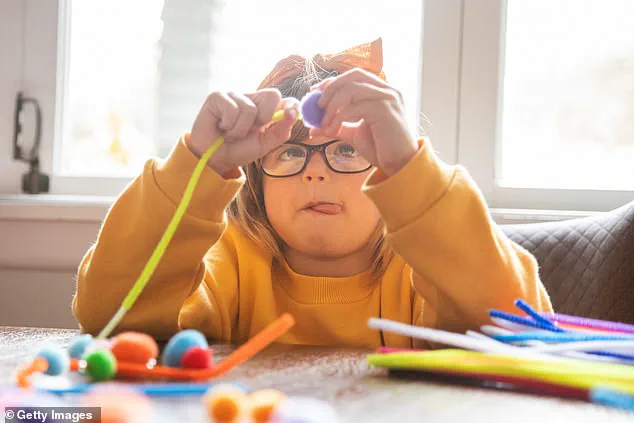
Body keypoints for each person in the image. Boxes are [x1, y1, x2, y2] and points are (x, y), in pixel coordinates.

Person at [72, 38, 552, 347]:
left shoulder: (424, 268)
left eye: (345, 150)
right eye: (290, 153)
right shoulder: (229, 260)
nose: (316, 174)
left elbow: (520, 328)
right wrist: (199, 164)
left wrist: (412, 169)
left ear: (387, 173)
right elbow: (110, 317)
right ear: (256, 179)